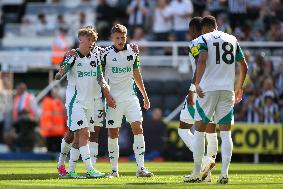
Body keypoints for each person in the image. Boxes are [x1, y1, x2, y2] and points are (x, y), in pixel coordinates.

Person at [186, 16, 248, 184]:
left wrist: (196, 83)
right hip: (228, 90)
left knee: (200, 130)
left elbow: (202, 60)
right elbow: (244, 65)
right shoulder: (232, 38)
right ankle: (224, 174)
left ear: (204, 29)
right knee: (226, 134)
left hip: (207, 90)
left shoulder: (201, 39)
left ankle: (196, 173)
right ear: (217, 26)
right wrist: (239, 87)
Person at [56, 26, 111, 178]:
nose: (92, 42)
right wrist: (61, 71)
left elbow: (100, 76)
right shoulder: (73, 55)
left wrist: (105, 87)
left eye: (94, 40)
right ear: (81, 40)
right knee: (84, 133)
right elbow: (62, 71)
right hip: (76, 101)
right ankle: (89, 169)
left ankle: (69, 169)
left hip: (89, 101)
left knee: (73, 135)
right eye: (89, 39)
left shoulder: (95, 57)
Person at [100, 24, 153, 178]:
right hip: (113, 99)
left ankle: (141, 168)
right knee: (113, 133)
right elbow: (100, 76)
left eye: (123, 37)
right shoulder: (105, 54)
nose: (120, 40)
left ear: (126, 37)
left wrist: (145, 95)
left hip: (131, 97)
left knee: (138, 128)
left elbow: (136, 73)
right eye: (117, 37)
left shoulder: (133, 51)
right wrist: (107, 96)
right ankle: (114, 171)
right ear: (112, 38)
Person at [179, 17, 218, 183]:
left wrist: (192, 90)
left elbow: (199, 65)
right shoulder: (215, 44)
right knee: (210, 130)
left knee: (183, 129)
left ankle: (203, 164)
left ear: (193, 30)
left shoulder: (196, 43)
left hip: (199, 90)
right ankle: (207, 174)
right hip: (216, 89)